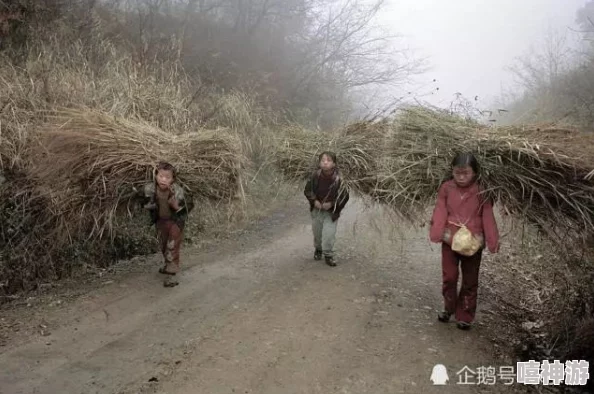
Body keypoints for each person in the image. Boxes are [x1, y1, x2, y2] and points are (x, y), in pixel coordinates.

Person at [429, 152, 499, 330]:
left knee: (470, 280)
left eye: (465, 173)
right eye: (457, 172)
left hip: (473, 244)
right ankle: (448, 308)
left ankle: (465, 316)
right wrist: (436, 232)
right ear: (452, 171)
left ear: (474, 172)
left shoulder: (482, 191)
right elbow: (440, 210)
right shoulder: (446, 188)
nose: (461, 177)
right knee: (449, 277)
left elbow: (488, 216)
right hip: (450, 240)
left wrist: (492, 241)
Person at [142, 161, 194, 287]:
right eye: (161, 176)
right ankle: (168, 266)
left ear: (173, 179)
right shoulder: (151, 189)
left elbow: (189, 205)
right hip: (161, 222)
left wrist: (176, 207)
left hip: (175, 223)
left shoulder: (178, 191)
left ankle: (171, 276)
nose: (163, 180)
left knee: (172, 247)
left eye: (167, 177)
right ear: (155, 176)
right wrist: (148, 205)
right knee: (164, 246)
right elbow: (143, 202)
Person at [303, 151, 350, 267]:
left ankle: (328, 255)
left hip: (331, 213)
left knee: (329, 235)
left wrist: (332, 204)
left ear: (334, 164)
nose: (325, 163)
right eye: (323, 160)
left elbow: (345, 196)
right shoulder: (315, 176)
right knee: (317, 234)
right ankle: (318, 249)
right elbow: (307, 190)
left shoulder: (340, 179)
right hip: (317, 211)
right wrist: (315, 201)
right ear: (319, 163)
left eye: (328, 161)